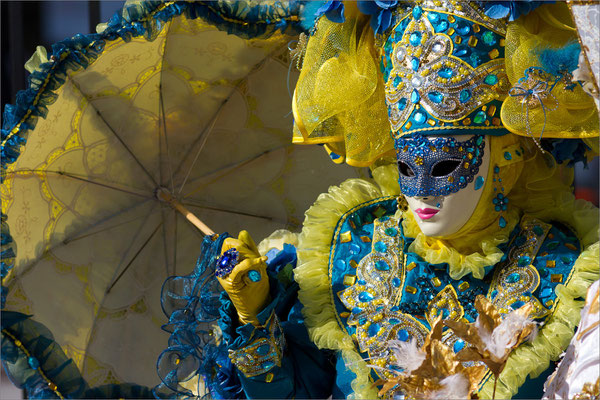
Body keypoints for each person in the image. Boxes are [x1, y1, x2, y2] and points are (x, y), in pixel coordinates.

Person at [157, 2, 599, 399]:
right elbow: (293, 392)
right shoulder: (352, 249)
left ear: (503, 156)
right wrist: (255, 318)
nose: (421, 191)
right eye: (408, 167)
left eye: (443, 165)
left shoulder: (564, 269)